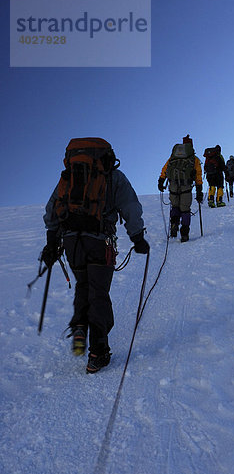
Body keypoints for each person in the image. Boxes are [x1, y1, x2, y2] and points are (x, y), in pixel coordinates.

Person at [41, 137, 149, 374]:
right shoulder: (112, 176)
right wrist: (137, 237)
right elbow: (130, 206)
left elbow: (52, 209)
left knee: (83, 284)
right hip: (100, 241)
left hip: (71, 242)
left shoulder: (68, 176)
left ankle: (80, 325)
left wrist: (52, 240)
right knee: (98, 292)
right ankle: (98, 352)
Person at [158, 135, 203, 242]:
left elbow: (165, 169)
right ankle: (184, 234)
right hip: (186, 186)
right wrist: (199, 191)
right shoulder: (194, 159)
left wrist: (161, 181)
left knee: (175, 206)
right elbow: (198, 176)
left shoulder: (173, 157)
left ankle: (174, 223)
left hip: (173, 184)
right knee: (185, 210)